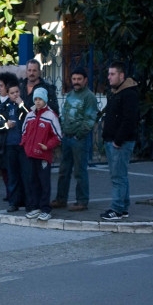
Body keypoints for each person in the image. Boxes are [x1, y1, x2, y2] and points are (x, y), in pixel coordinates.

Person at [51, 67, 98, 211]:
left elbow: (89, 119)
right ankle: (61, 199)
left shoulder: (89, 97)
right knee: (64, 170)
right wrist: (64, 132)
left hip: (79, 140)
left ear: (85, 80)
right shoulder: (70, 95)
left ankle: (82, 201)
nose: (76, 82)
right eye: (74, 79)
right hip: (67, 138)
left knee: (79, 171)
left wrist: (78, 135)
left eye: (79, 79)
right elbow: (64, 114)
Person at [100, 61, 140, 221]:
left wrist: (118, 140)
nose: (109, 77)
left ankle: (116, 208)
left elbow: (129, 119)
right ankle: (123, 207)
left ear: (121, 75)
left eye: (112, 74)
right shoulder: (116, 92)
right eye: (108, 74)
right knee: (120, 175)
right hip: (113, 140)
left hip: (120, 142)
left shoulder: (128, 94)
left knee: (118, 177)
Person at [21, 88, 62, 221]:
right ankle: (35, 207)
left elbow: (58, 136)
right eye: (36, 99)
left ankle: (45, 209)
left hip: (44, 156)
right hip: (31, 154)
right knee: (33, 182)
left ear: (45, 100)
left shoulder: (51, 116)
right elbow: (24, 132)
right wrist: (25, 145)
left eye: (40, 99)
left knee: (44, 182)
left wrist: (47, 146)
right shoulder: (30, 115)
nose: (38, 102)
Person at [0, 83, 30, 212]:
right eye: (12, 93)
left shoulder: (24, 105)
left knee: (25, 173)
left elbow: (31, 117)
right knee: (12, 175)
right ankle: (13, 202)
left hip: (23, 145)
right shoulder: (3, 107)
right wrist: (5, 124)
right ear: (8, 94)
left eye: (17, 92)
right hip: (8, 145)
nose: (15, 95)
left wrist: (22, 104)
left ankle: (27, 201)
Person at [0, 71, 19, 200]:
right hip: (0, 142)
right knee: (4, 169)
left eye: (1, 85)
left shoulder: (13, 103)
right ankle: (9, 193)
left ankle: (14, 195)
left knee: (12, 170)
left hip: (10, 142)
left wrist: (4, 125)